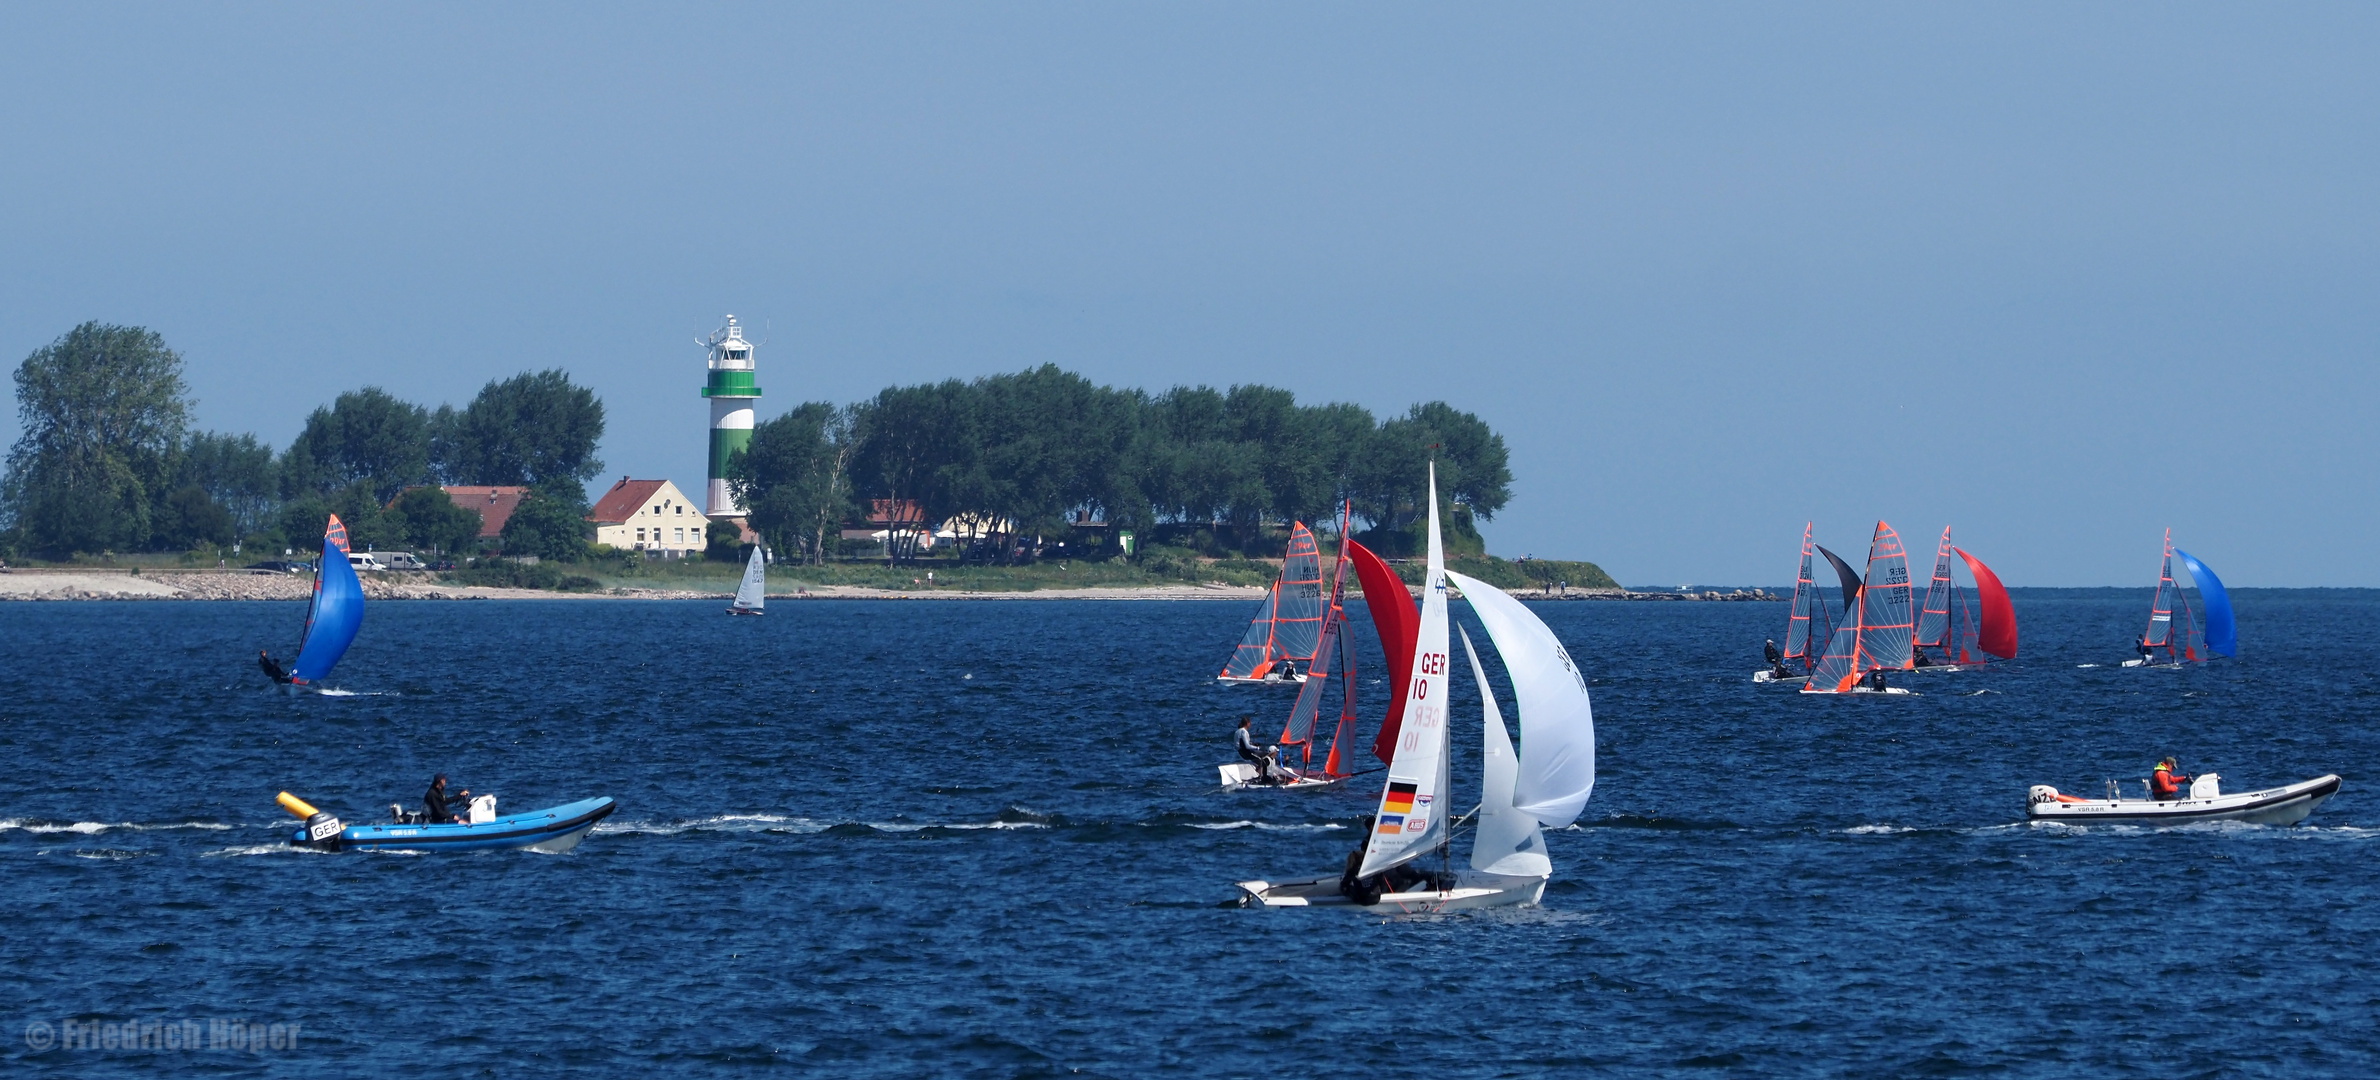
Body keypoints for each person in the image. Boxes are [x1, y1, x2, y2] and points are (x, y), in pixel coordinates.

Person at [1234, 717, 1274, 783]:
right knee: (1264, 760)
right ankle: (1263, 778)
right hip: (1246, 752)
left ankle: (1258, 773)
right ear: (1247, 723)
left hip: (1241, 752)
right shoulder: (1244, 732)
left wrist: (1253, 744)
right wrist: (1257, 748)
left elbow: (1241, 744)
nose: (1251, 724)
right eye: (1250, 723)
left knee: (1263, 755)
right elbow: (1247, 746)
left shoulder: (1237, 731)